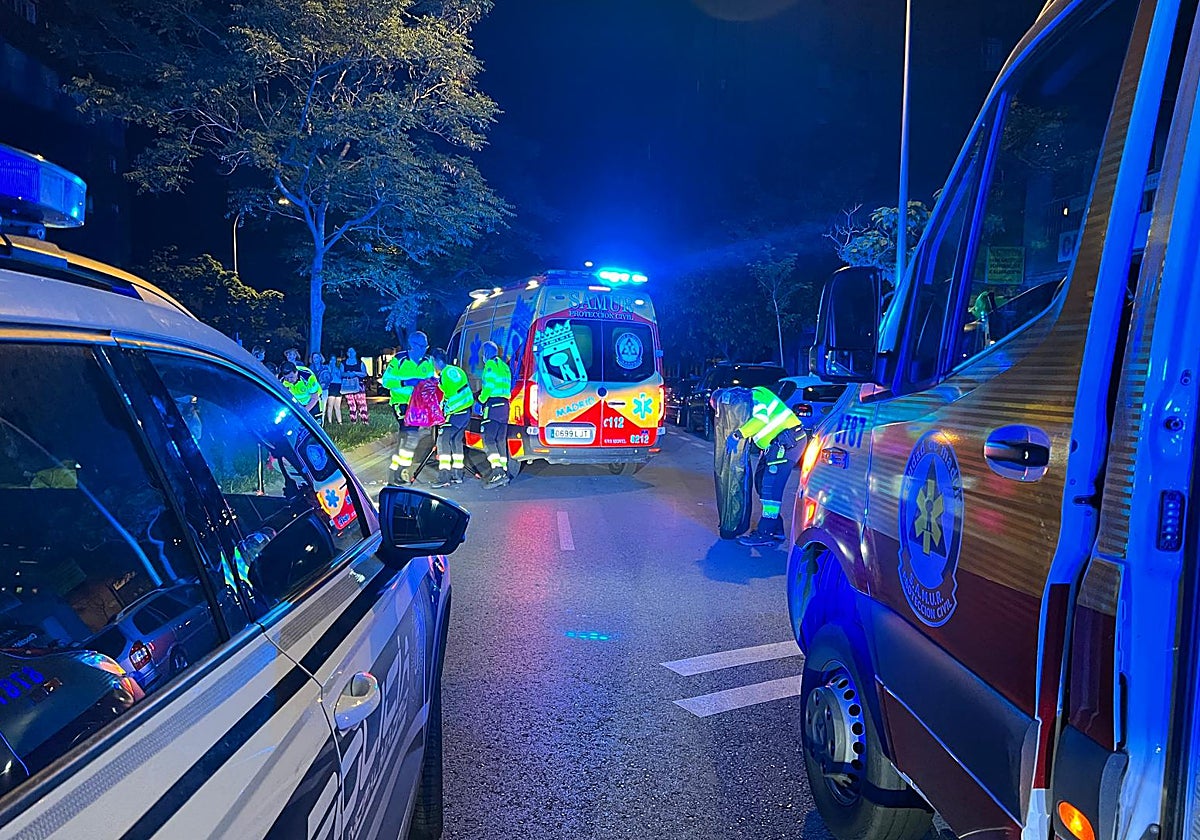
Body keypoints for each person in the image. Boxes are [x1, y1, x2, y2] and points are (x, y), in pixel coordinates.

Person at [725, 384, 806, 546]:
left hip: (787, 442)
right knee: (761, 483)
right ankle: (776, 530)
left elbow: (761, 420)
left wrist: (737, 435)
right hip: (776, 445)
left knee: (770, 488)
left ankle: (765, 533)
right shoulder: (750, 402)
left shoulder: (757, 395)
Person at [381, 331, 436, 483]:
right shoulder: (399, 360)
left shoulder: (428, 361)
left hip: (419, 405)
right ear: (412, 345)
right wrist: (406, 382)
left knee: (407, 438)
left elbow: (433, 380)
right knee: (410, 435)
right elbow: (386, 381)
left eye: (426, 346)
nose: (424, 349)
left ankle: (397, 469)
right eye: (421, 346)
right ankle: (398, 471)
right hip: (402, 404)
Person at [429, 349, 473, 488]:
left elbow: (445, 396)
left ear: (438, 361)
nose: (433, 365)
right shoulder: (457, 370)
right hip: (465, 412)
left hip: (455, 413)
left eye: (433, 362)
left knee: (442, 442)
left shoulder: (444, 376)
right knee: (456, 442)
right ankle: (457, 475)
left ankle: (444, 478)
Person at [478, 340, 513, 489]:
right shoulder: (504, 366)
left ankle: (497, 472)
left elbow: (489, 386)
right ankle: (504, 472)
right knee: (500, 439)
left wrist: (480, 401)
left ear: (485, 353)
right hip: (505, 406)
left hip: (493, 405)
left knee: (488, 439)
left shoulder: (490, 366)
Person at [341, 347, 369, 424]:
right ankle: (353, 420)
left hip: (359, 385)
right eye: (349, 352)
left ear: (355, 353)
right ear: (347, 353)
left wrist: (355, 373)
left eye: (352, 351)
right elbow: (341, 373)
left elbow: (364, 374)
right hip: (348, 386)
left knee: (362, 403)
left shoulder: (360, 363)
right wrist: (349, 374)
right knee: (351, 404)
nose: (351, 353)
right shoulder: (343, 363)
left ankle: (364, 420)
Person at [311, 352, 331, 422]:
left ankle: (321, 423)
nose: (315, 359)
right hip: (314, 390)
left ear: (320, 358)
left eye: (317, 357)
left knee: (323, 406)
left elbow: (329, 378)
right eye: (314, 358)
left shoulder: (326, 367)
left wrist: (324, 384)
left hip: (324, 389)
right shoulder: (310, 368)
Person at [324, 354, 344, 425]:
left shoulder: (339, 366)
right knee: (330, 405)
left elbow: (341, 375)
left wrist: (337, 370)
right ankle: (330, 422)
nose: (333, 361)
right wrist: (332, 370)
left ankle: (340, 421)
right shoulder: (327, 367)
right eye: (331, 359)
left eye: (334, 360)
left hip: (338, 385)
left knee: (337, 405)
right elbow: (328, 376)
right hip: (331, 385)